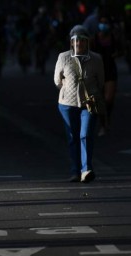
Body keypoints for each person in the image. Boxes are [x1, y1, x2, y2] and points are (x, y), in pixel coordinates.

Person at [53, 25, 105, 183]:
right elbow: (57, 81)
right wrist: (68, 89)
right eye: (75, 41)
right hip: (67, 104)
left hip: (89, 104)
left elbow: (100, 81)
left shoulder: (96, 58)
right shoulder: (64, 57)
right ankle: (75, 170)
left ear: (87, 42)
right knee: (73, 137)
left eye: (82, 41)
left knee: (86, 135)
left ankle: (86, 169)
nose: (79, 44)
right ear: (71, 42)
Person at [92, 13, 122, 135]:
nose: (103, 25)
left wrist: (116, 55)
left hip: (110, 70)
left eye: (106, 23)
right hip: (98, 71)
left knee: (109, 99)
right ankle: (103, 124)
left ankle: (107, 119)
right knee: (100, 100)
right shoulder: (94, 38)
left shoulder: (114, 37)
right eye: (101, 22)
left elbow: (122, 50)